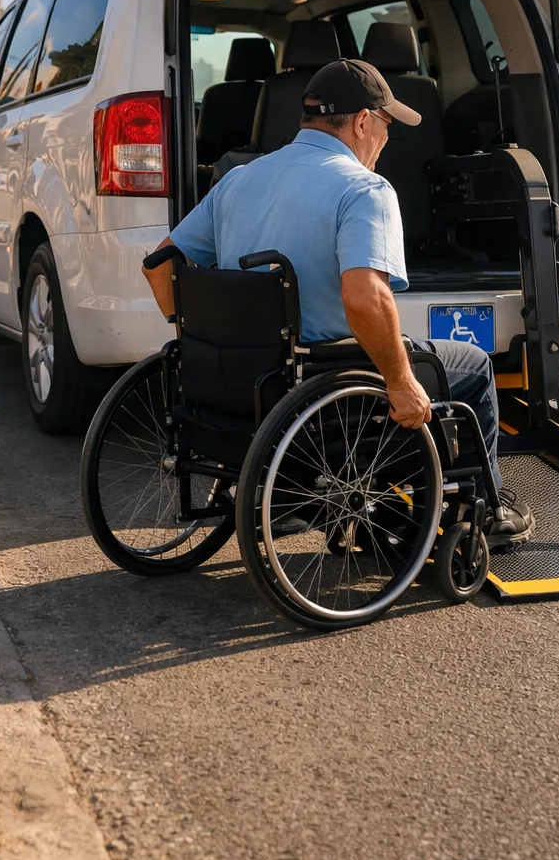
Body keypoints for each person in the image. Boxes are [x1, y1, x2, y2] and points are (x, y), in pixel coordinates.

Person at [142, 57, 535, 547]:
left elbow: (159, 265)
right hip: (323, 377)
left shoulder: (239, 179)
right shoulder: (364, 189)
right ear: (363, 122)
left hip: (239, 380)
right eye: (387, 124)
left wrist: (202, 338)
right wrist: (400, 383)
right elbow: (365, 299)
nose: (387, 138)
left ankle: (366, 504)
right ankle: (486, 511)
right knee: (472, 365)